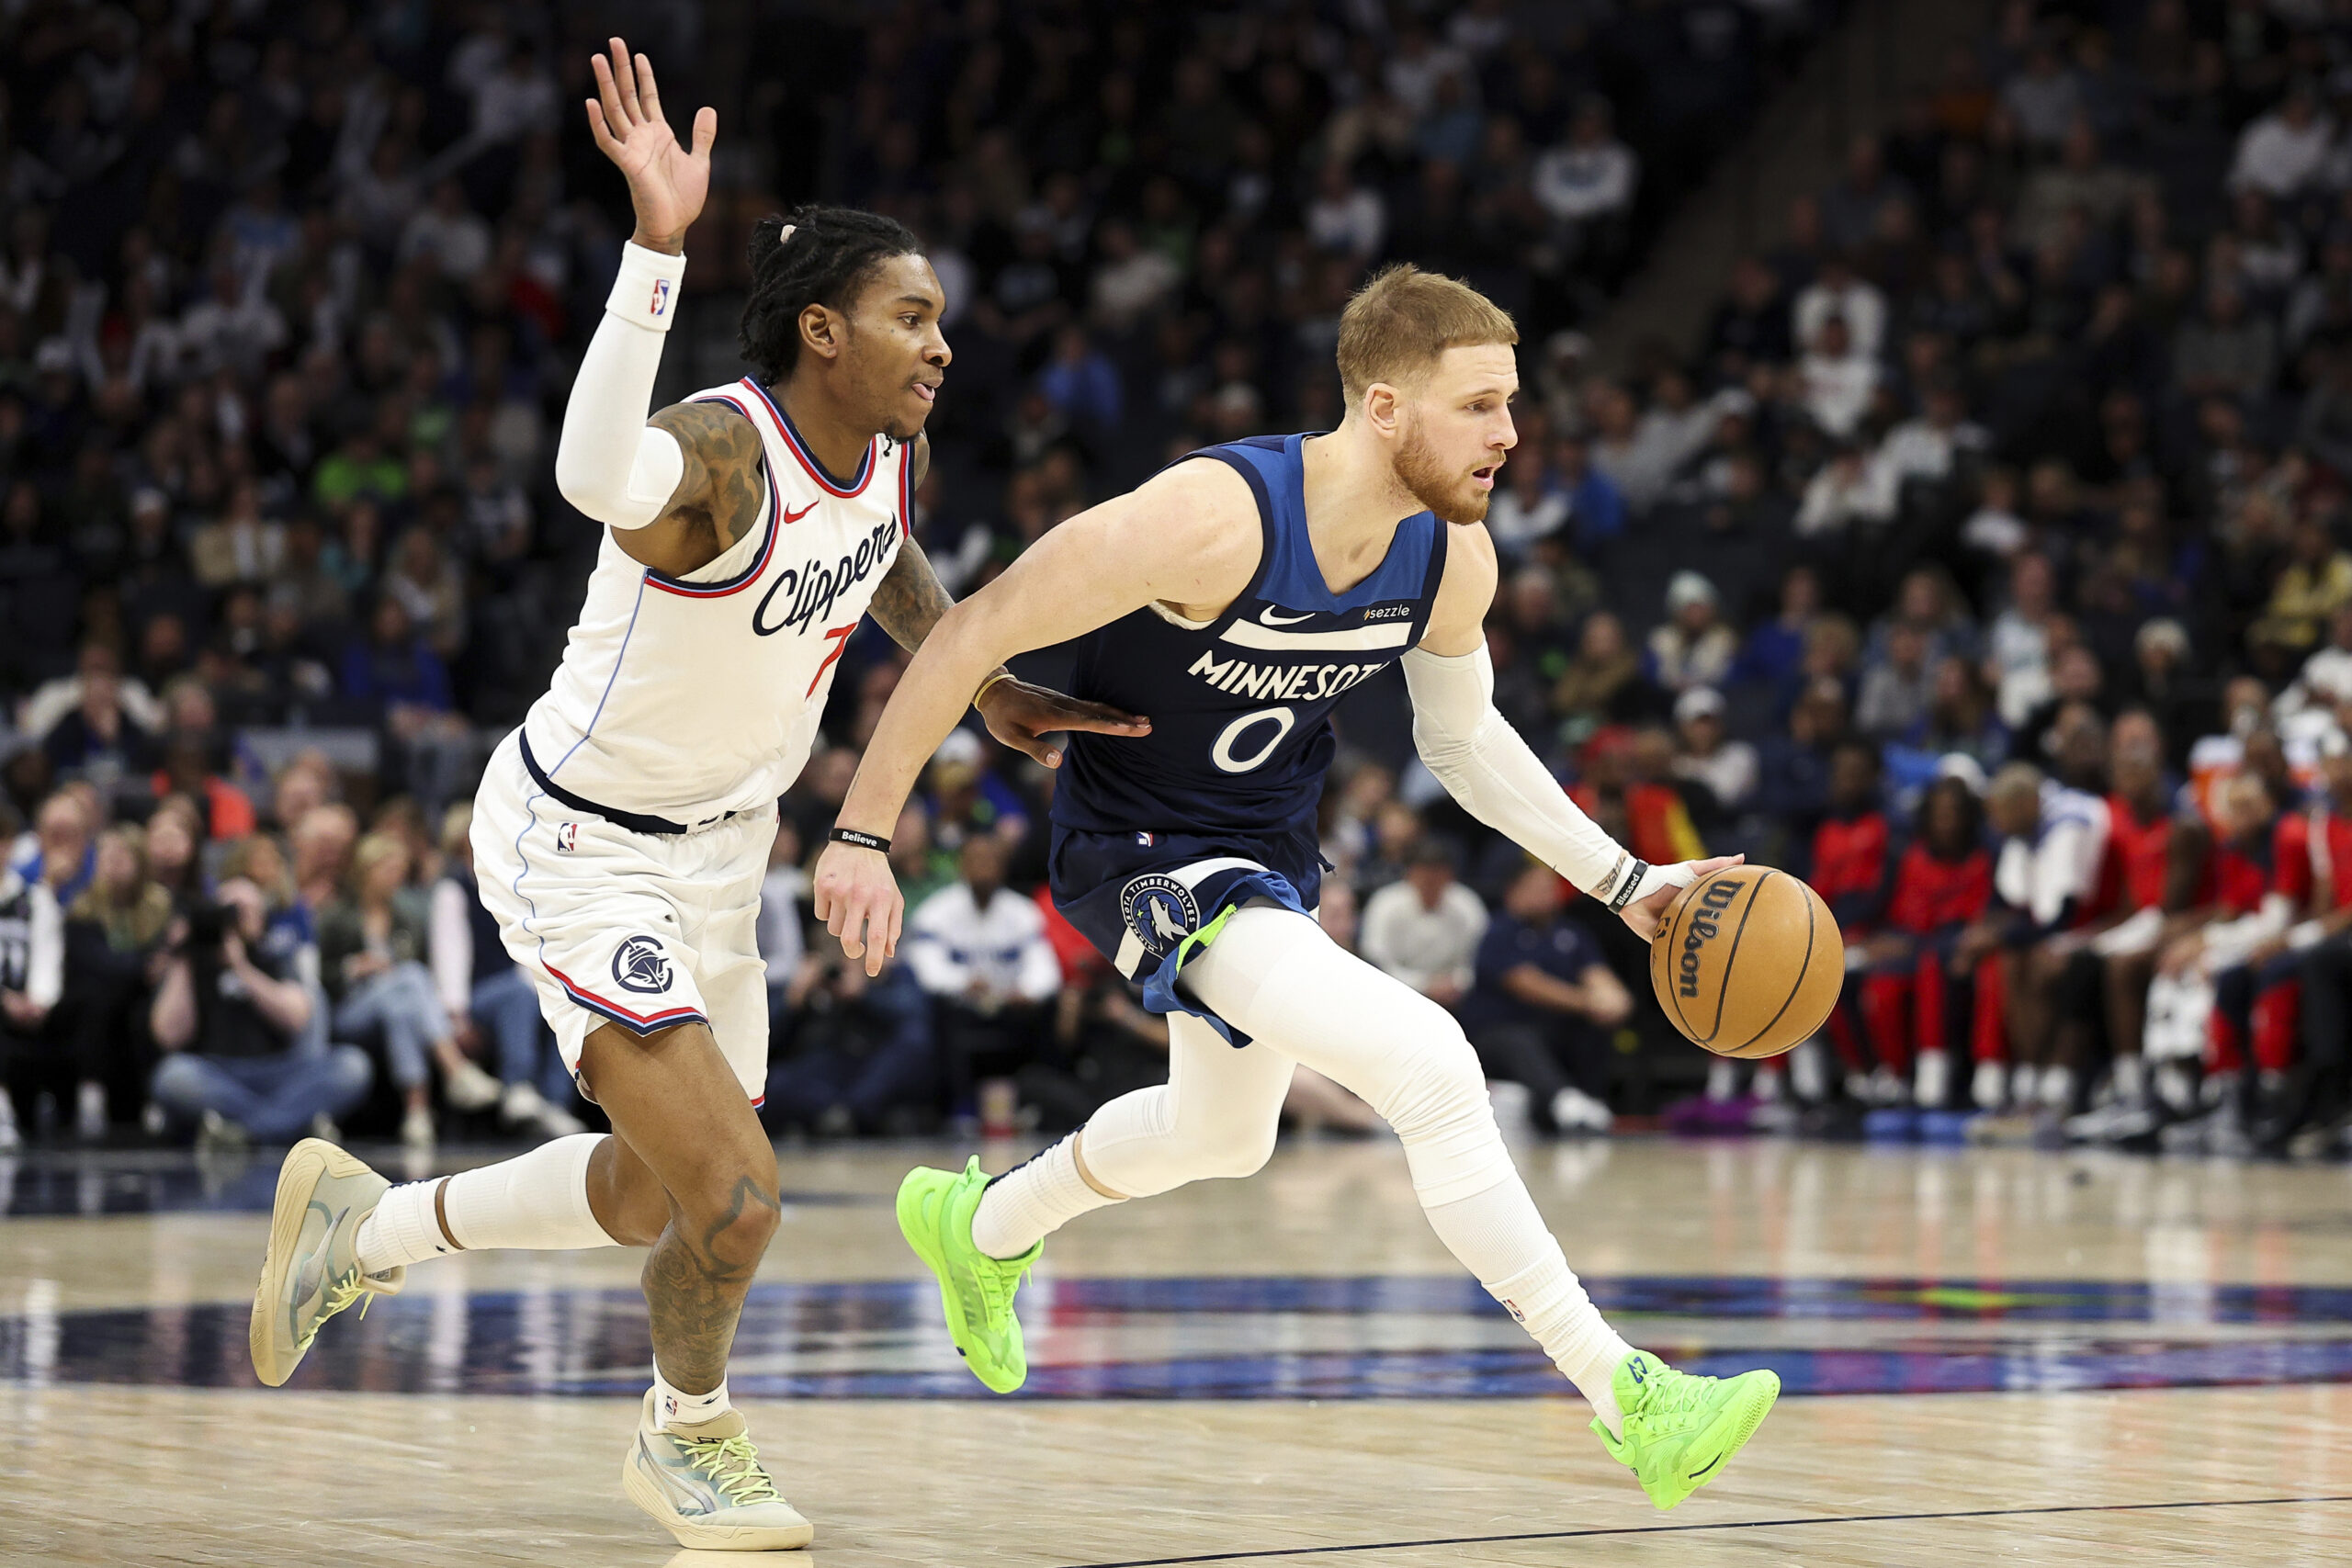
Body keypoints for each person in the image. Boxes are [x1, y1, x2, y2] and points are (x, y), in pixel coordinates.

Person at [247, 41, 1139, 1553]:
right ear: (819, 328)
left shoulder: (882, 455)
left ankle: (367, 1226)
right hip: (585, 847)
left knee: (656, 1199)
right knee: (737, 1199)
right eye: (910, 317)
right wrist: (653, 249)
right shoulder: (723, 450)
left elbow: (885, 561)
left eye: (942, 321)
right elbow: (597, 473)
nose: (939, 345)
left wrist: (982, 681)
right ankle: (688, 1438)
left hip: (728, 863)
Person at [814, 263, 1780, 1512]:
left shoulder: (1448, 557)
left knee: (1222, 1133)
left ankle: (981, 1226)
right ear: (1385, 407)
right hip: (1142, 846)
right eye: (1480, 404)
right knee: (1429, 1060)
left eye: (1512, 403)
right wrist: (864, 833)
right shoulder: (1210, 516)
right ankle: (1629, 1391)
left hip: (1267, 850)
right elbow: (968, 629)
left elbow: (1465, 741)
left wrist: (1628, 879)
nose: (1511, 432)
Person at [148, 875, 372, 1147]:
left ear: (262, 917)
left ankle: (244, 1131)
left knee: (352, 1065)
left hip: (282, 1072)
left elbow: (297, 1018)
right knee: (173, 1075)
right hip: (218, 1073)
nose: (238, 920)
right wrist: (182, 954)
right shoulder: (193, 961)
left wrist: (242, 968)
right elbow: (169, 1035)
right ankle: (289, 1127)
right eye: (230, 910)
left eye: (247, 911)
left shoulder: (276, 955)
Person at [318, 831, 503, 1149]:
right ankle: (455, 1069)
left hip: (391, 1006)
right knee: (412, 977)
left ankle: (417, 1113)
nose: (396, 879)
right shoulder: (338, 915)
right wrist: (354, 968)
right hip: (350, 1010)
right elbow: (319, 975)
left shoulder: (405, 917)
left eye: (399, 871)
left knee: (401, 1007)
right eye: (388, 870)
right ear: (368, 870)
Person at [428, 804, 583, 1139]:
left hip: (519, 991)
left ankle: (555, 1102)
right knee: (516, 995)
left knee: (564, 996)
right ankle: (519, 1084)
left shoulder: (513, 884)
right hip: (478, 997)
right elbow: (449, 953)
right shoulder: (454, 890)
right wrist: (455, 1014)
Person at [1459, 861, 1631, 1134]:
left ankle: (1591, 1103)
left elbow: (1597, 974)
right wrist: (1589, 1002)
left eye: (1549, 888)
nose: (1546, 895)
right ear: (1513, 891)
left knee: (1595, 1028)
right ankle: (1564, 1101)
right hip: (1498, 1033)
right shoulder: (1499, 931)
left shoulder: (1571, 932)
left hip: (1556, 1029)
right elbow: (1526, 983)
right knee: (1519, 1041)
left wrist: (1614, 999)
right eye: (1536, 888)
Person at [902, 835, 1061, 1122]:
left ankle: (1033, 1107)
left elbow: (1045, 969)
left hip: (1010, 1006)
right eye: (977, 861)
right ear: (962, 866)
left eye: (992, 862)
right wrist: (963, 982)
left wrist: (1026, 991)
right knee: (931, 1014)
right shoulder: (936, 912)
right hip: (960, 1009)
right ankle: (956, 1110)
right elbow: (926, 969)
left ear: (1003, 868)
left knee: (1051, 1010)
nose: (984, 869)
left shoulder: (1022, 912)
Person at [1359, 839, 1487, 1007]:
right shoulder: (1385, 903)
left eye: (1438, 874)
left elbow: (1476, 959)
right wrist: (1423, 985)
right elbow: (1375, 959)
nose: (1431, 882)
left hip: (1453, 997)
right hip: (1395, 994)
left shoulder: (1467, 904)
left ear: (1450, 875)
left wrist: (1456, 982)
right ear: (1410, 874)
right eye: (1424, 874)